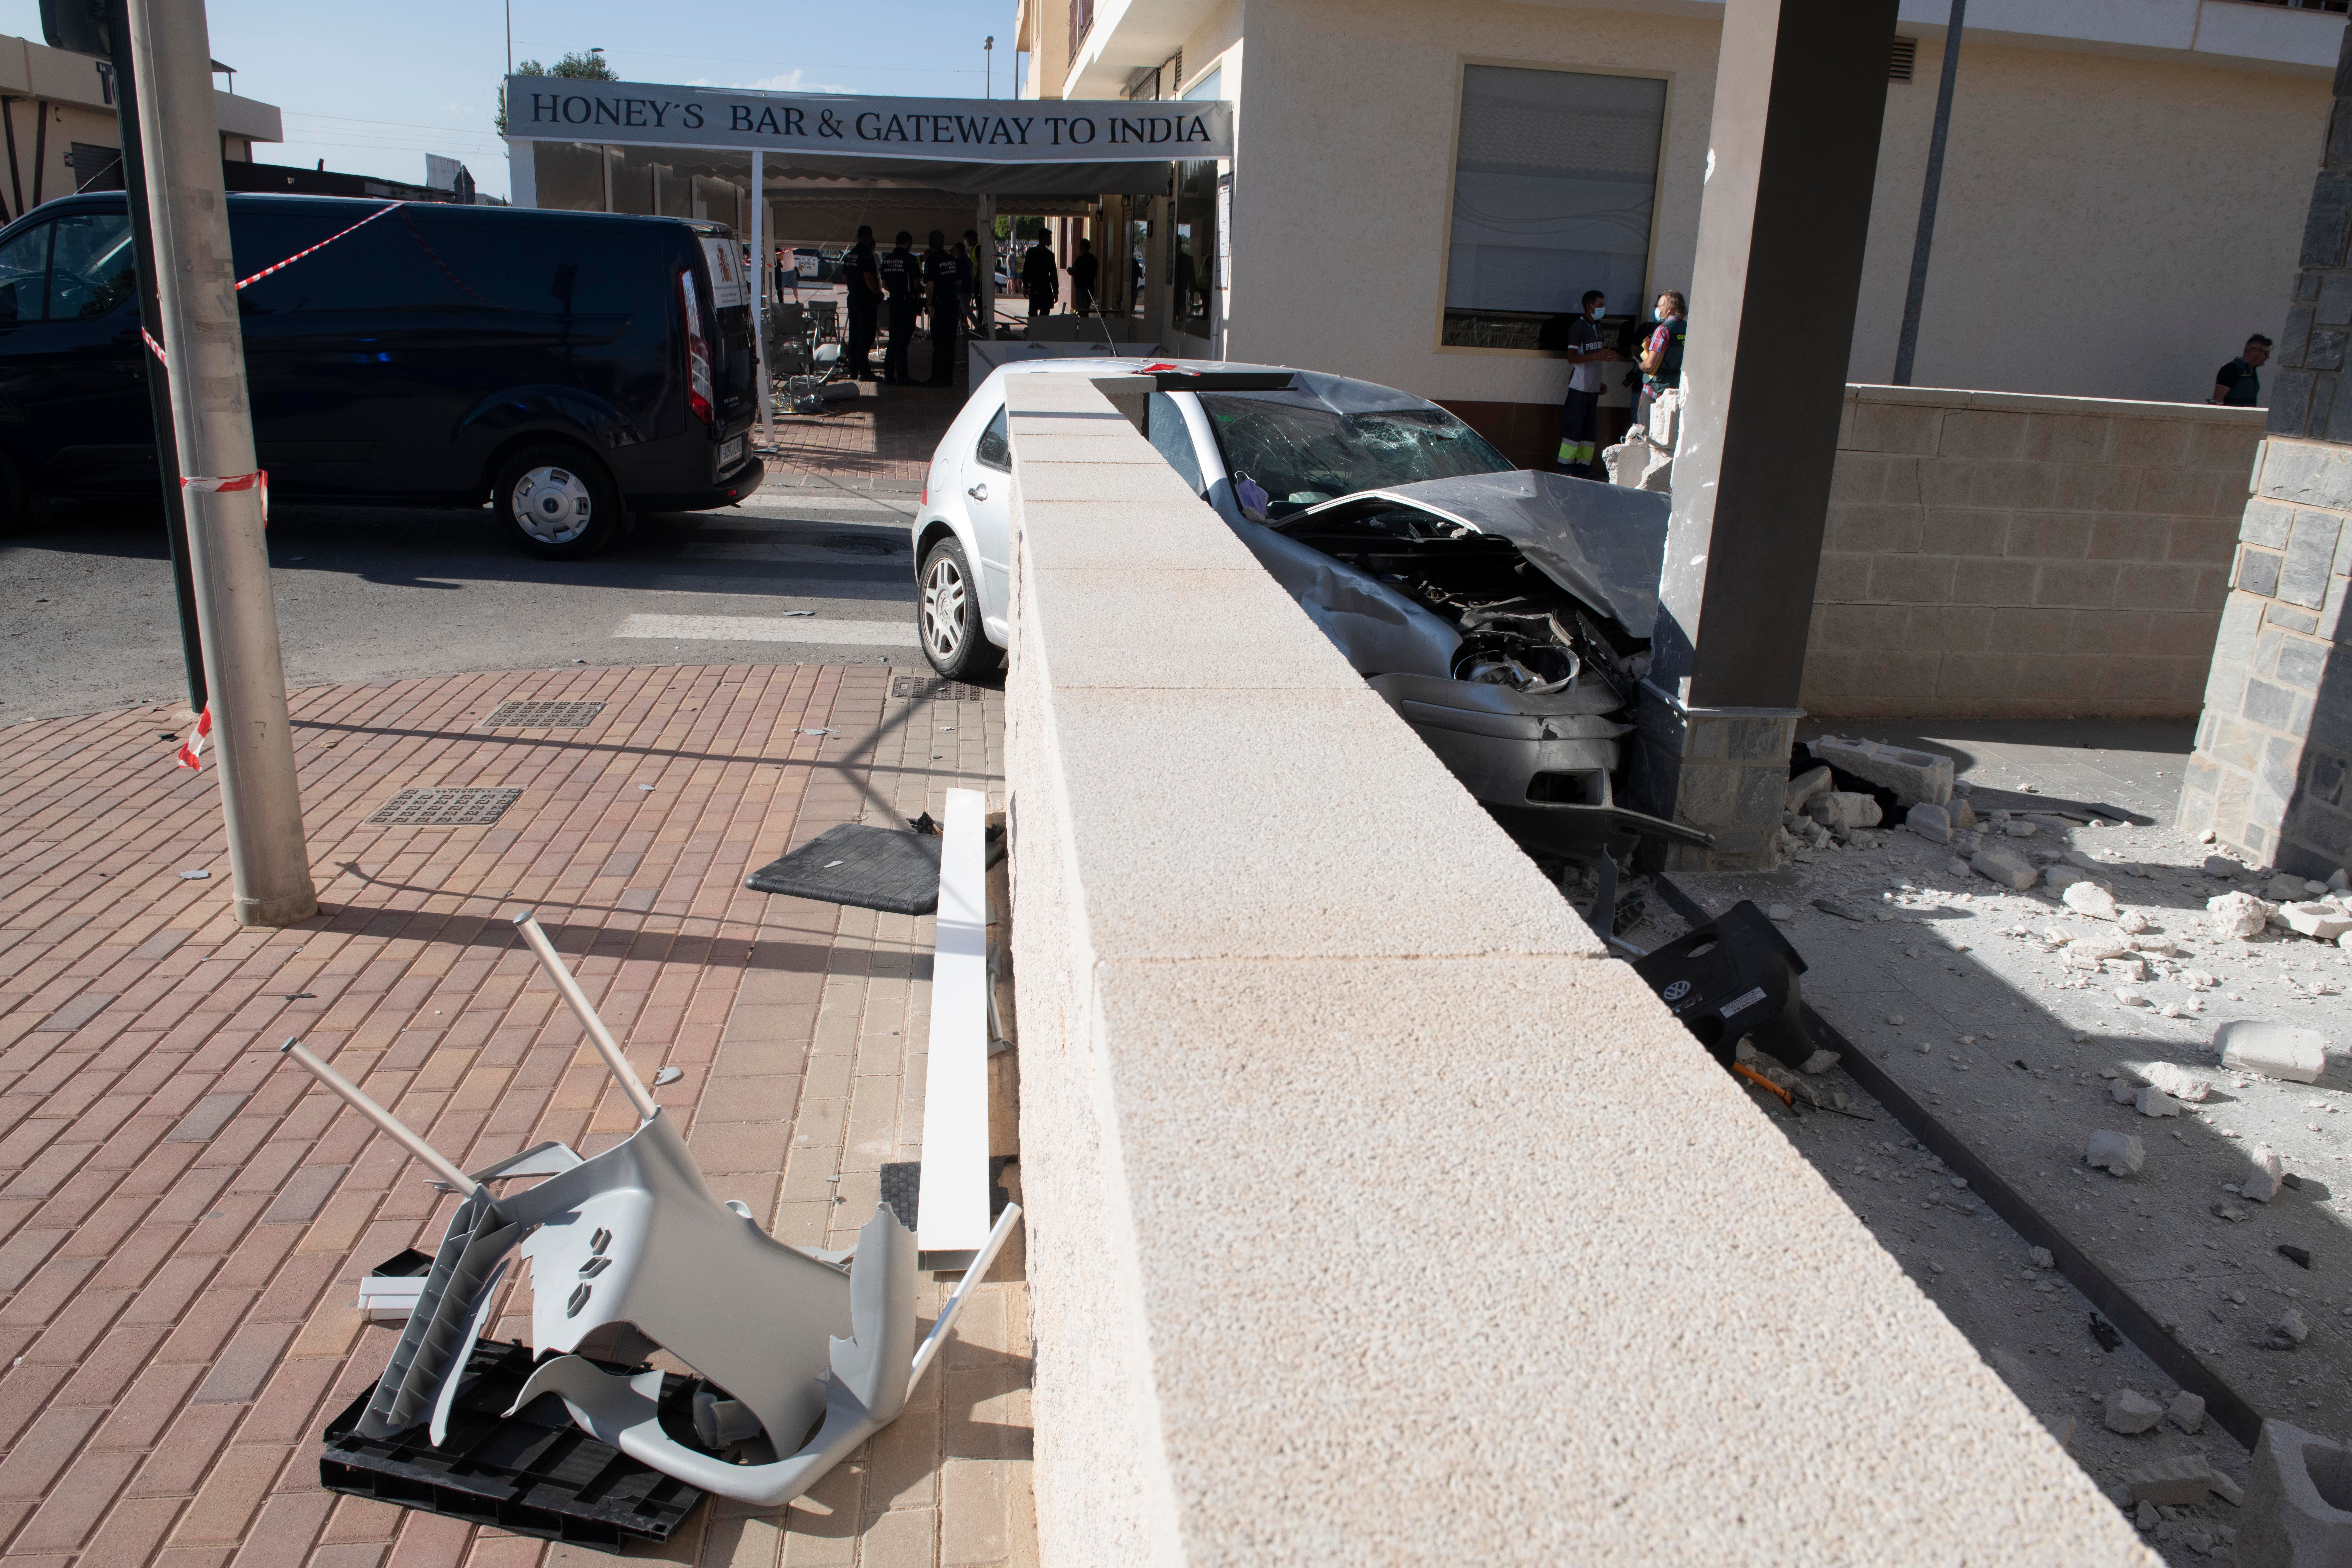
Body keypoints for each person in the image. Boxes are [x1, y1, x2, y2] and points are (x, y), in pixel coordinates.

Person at [1556, 290, 1617, 479]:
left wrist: (1599, 383)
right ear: (1589, 307)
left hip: (1592, 390)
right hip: (1579, 389)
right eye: (1600, 305)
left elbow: (1594, 361)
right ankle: (1564, 468)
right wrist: (1597, 356)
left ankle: (1584, 469)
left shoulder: (1598, 326)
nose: (1602, 308)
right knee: (1573, 430)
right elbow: (1572, 358)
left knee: (1589, 432)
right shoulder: (1578, 328)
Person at [1637, 289, 1687, 428]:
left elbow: (1650, 365)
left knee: (1646, 434)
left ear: (1669, 310)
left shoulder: (1663, 330)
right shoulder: (1687, 329)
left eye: (1660, 306)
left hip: (1655, 390)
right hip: (1676, 389)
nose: (1657, 309)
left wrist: (1641, 365)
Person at [878, 231, 922, 386]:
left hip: (894, 303)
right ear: (908, 243)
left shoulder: (887, 260)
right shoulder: (911, 260)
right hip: (907, 304)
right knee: (903, 341)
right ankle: (903, 376)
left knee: (893, 340)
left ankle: (889, 376)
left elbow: (885, 285)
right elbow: (916, 285)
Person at [842, 225, 881, 379]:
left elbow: (844, 276)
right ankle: (864, 371)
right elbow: (868, 276)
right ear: (870, 237)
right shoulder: (867, 254)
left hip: (853, 297)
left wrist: (854, 284)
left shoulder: (851, 254)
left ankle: (854, 369)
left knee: (855, 334)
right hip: (865, 299)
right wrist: (877, 293)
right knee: (867, 335)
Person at [923, 229, 960, 388]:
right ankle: (948, 378)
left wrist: (929, 304)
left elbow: (930, 285)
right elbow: (958, 282)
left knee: (939, 344)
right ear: (944, 244)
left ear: (930, 245)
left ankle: (936, 378)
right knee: (951, 344)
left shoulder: (932, 261)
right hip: (953, 305)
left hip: (940, 305)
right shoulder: (951, 260)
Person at [2213, 334, 2271, 407]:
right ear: (2256, 351)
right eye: (2266, 354)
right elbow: (2217, 401)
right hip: (2232, 418)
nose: (2268, 357)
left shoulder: (2251, 370)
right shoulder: (2231, 369)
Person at [1022, 235, 1058, 318]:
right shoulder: (1031, 253)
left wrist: (1056, 292)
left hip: (1046, 290)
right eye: (1049, 238)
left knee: (1045, 316)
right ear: (1042, 239)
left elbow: (1054, 275)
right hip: (1035, 288)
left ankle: (1042, 331)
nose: (1050, 240)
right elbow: (1026, 271)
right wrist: (1025, 287)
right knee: (1032, 315)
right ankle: (1034, 331)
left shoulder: (1050, 255)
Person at [1069, 236, 1100, 317]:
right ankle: (1085, 325)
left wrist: (1070, 270)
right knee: (1086, 309)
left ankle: (1084, 326)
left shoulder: (1080, 260)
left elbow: (1073, 271)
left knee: (1082, 310)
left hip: (1081, 289)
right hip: (1090, 288)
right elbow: (1095, 274)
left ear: (1082, 248)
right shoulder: (1094, 260)